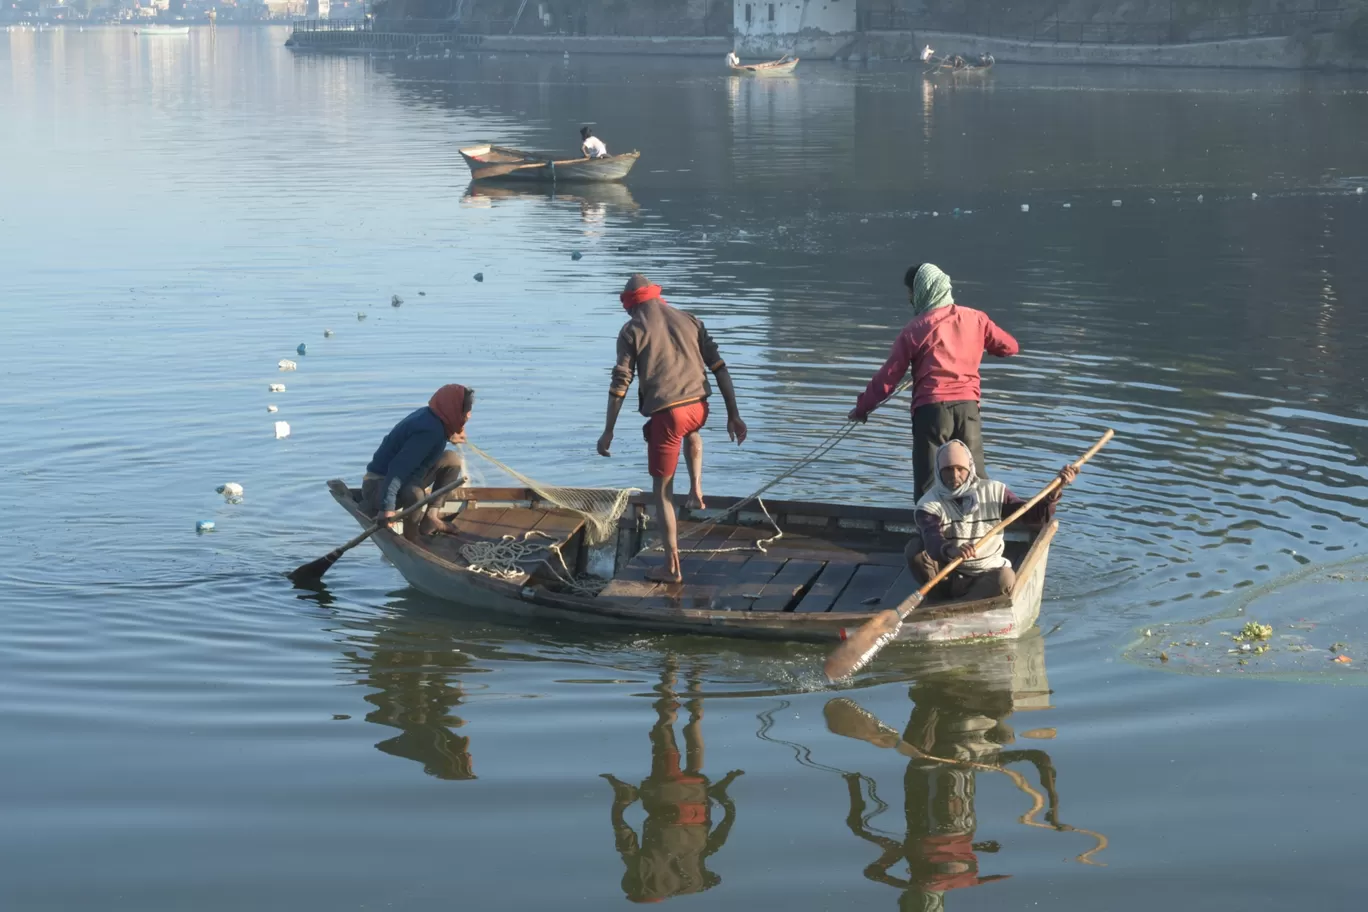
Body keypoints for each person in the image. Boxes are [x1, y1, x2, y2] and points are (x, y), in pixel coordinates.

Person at [598, 274, 747, 584]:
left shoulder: (631, 330)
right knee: (690, 431)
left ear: (630, 305)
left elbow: (620, 384)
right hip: (700, 409)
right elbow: (720, 367)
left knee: (662, 492)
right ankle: (696, 490)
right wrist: (734, 415)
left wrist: (608, 430)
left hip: (670, 415)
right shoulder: (690, 319)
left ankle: (672, 567)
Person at [848, 263, 1020, 500]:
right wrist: (981, 346)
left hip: (931, 413)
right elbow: (1010, 347)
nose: (909, 298)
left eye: (911, 292)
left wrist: (862, 408)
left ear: (923, 291)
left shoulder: (915, 329)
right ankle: (982, 531)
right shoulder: (976, 319)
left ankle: (928, 534)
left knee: (928, 487)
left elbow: (888, 378)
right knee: (976, 480)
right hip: (968, 409)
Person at [907, 440, 1076, 600]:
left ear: (970, 468)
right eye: (948, 469)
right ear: (938, 470)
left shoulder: (994, 491)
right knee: (915, 550)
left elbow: (1033, 516)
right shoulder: (928, 504)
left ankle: (963, 604)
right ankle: (939, 597)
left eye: (960, 469)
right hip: (948, 575)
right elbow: (932, 539)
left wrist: (1055, 490)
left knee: (1005, 578)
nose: (954, 475)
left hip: (986, 573)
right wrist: (951, 550)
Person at [361, 384, 472, 542]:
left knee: (451, 459)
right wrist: (386, 508)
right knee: (416, 494)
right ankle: (412, 538)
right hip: (378, 485)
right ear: (454, 410)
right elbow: (397, 470)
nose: (469, 416)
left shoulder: (433, 417)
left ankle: (431, 518)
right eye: (467, 411)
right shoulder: (429, 431)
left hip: (407, 478)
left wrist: (451, 434)